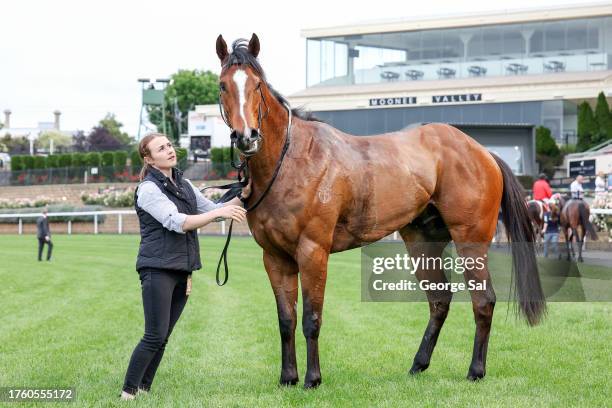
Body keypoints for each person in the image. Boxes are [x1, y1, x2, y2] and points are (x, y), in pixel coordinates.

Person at [120, 133, 251, 400]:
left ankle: (144, 389)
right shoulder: (148, 189)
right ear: (149, 158)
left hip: (180, 269)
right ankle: (127, 393)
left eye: (169, 145)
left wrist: (245, 194)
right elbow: (177, 221)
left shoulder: (184, 183)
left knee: (164, 336)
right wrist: (218, 213)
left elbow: (214, 209)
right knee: (154, 336)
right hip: (157, 269)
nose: (169, 150)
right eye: (161, 148)